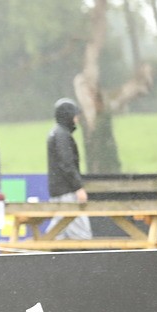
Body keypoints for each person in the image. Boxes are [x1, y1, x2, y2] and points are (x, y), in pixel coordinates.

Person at [46, 98, 92, 242]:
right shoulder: (62, 135)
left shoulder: (56, 133)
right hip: (67, 191)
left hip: (58, 190)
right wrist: (78, 187)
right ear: (67, 116)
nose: (77, 119)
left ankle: (40, 254)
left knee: (57, 232)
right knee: (83, 235)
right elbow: (67, 164)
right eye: (75, 115)